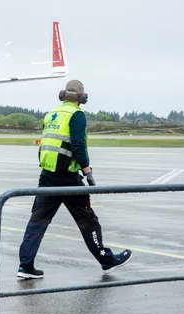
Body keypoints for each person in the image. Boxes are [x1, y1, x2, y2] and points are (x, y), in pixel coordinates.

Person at [16, 80, 132, 279]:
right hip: (69, 178)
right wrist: (88, 172)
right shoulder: (76, 115)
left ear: (62, 95)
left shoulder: (52, 114)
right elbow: (78, 145)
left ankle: (25, 266)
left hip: (47, 175)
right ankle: (106, 260)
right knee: (88, 221)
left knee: (38, 221)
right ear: (82, 98)